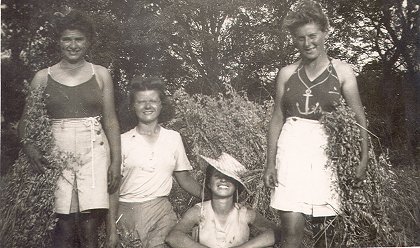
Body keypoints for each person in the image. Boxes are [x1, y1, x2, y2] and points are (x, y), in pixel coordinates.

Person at [263, 1, 368, 247]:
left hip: (327, 151)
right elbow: (277, 117)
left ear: (325, 33)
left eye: (313, 36)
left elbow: (358, 117)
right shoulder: (286, 73)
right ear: (294, 40)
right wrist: (270, 163)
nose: (307, 43)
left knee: (327, 231)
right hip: (291, 148)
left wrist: (362, 159)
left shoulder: (342, 71)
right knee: (291, 228)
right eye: (300, 38)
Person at [17, 9, 121, 248]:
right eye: (67, 39)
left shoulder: (101, 74)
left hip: (93, 148)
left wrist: (116, 162)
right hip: (58, 150)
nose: (73, 45)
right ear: (58, 41)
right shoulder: (43, 77)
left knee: (90, 222)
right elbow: (25, 123)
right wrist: (30, 147)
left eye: (79, 39)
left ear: (88, 42)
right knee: (63, 221)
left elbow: (111, 120)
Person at [108, 76, 202, 248]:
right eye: (141, 101)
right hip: (127, 213)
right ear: (132, 106)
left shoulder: (173, 138)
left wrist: (212, 196)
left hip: (161, 213)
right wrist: (111, 228)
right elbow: (113, 189)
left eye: (153, 101)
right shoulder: (121, 141)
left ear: (161, 105)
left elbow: (185, 179)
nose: (148, 106)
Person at [166, 152, 278, 248]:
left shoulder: (245, 213)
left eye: (229, 177)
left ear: (237, 186)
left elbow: (277, 232)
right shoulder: (199, 211)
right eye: (217, 176)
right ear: (209, 183)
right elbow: (173, 237)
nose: (223, 180)